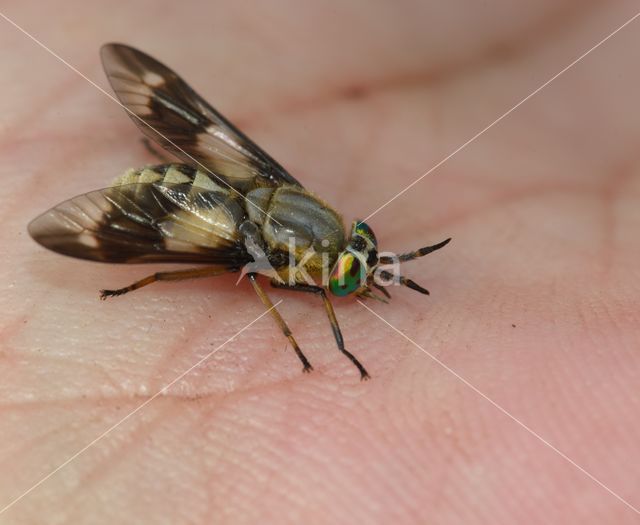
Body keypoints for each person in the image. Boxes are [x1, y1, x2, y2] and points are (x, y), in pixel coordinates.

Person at [2, 2, 638, 523]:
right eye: (355, 255)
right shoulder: (287, 263)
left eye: (358, 255)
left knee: (226, 169)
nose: (359, 257)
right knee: (230, 268)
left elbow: (222, 157)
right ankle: (141, 261)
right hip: (179, 215)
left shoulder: (315, 227)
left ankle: (155, 198)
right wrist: (311, 341)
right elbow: (267, 284)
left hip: (235, 183)